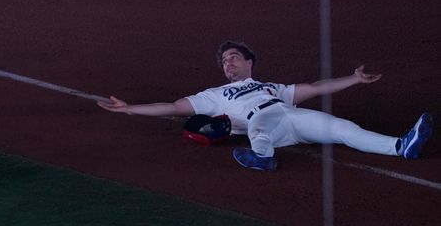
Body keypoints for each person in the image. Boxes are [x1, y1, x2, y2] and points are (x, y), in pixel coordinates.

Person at [97, 40, 433, 171]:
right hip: (263, 124)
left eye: (233, 58)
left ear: (249, 62)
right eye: (224, 61)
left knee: (341, 128)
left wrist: (353, 80)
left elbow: (315, 88)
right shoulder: (213, 95)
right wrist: (130, 109)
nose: (228, 64)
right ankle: (262, 158)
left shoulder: (273, 87)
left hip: (289, 117)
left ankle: (401, 146)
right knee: (258, 132)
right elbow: (171, 107)